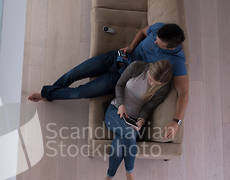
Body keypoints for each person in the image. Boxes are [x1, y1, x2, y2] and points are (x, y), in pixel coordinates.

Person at [28, 23, 189, 138]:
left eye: (158, 43)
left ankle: (45, 94)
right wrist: (132, 46)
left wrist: (176, 121)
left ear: (170, 48)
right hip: (118, 57)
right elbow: (142, 31)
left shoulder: (177, 62)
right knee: (74, 73)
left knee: (81, 92)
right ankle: (49, 93)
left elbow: (184, 93)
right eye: (156, 38)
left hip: (123, 76)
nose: (154, 40)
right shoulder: (159, 29)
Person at [97, 60, 173, 180]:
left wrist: (142, 119)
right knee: (128, 133)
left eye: (156, 84)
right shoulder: (137, 67)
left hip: (133, 120)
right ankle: (129, 175)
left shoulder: (163, 87)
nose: (152, 84)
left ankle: (110, 176)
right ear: (150, 70)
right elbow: (119, 85)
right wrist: (121, 105)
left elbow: (149, 107)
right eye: (151, 80)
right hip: (115, 110)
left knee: (123, 138)